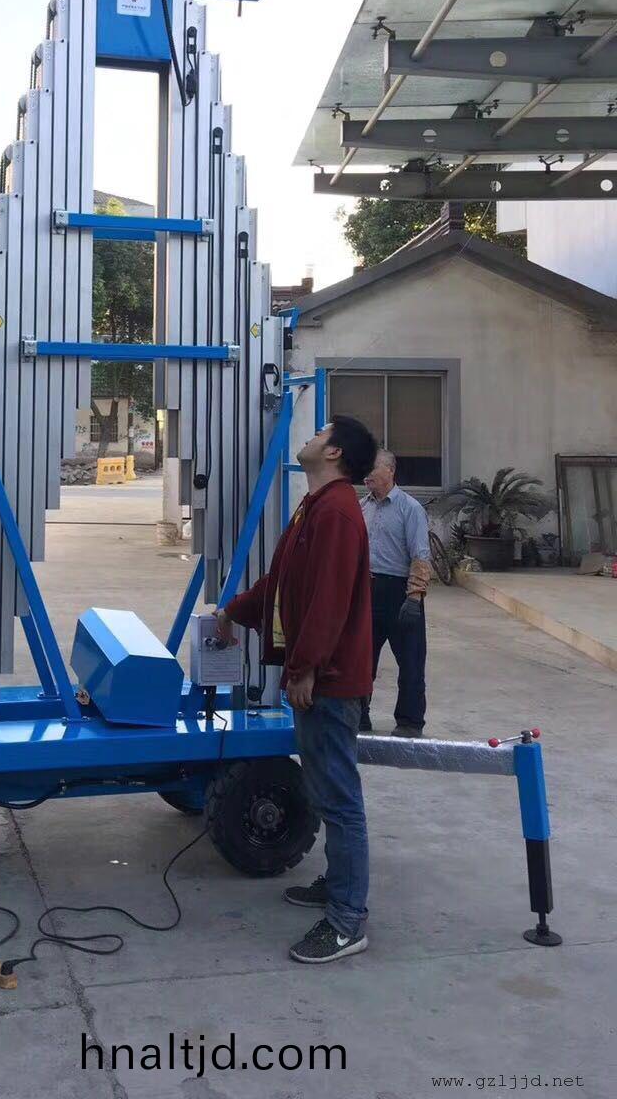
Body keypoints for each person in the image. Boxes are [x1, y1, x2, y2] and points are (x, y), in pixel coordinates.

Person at [213, 414, 377, 965]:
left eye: (321, 432)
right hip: (317, 676)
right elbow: (282, 583)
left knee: (340, 799)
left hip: (330, 681)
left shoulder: (337, 512)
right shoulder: (315, 506)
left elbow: (330, 599)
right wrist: (232, 612)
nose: (311, 435)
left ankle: (348, 921)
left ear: (334, 454)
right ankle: (338, 885)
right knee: (327, 792)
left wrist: (306, 668)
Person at [359, 449, 431, 738]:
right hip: (367, 590)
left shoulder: (410, 509)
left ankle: (410, 721)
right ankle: (359, 715)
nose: (367, 474)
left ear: (390, 471)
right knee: (361, 659)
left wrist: (415, 596)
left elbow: (421, 555)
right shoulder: (361, 507)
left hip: (400, 592)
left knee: (411, 661)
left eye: (372, 468)